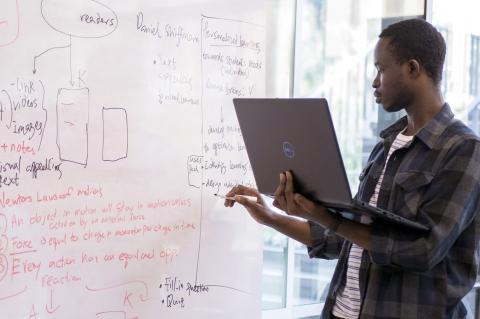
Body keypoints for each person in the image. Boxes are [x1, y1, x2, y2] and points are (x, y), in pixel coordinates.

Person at [225, 18, 480, 319]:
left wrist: (327, 218)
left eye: (381, 69)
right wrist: (272, 217)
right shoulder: (386, 145)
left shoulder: (464, 149)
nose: (374, 81)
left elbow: (423, 251)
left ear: (413, 68)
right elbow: (345, 239)